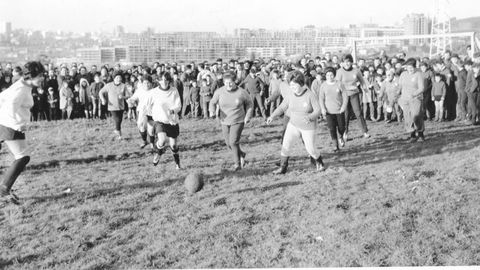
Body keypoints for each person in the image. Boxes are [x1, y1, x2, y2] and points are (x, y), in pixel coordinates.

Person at [0, 61, 45, 205]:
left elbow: (2, 97)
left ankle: (4, 189)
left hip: (9, 124)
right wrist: (16, 125)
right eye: (40, 76)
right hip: (10, 126)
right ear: (30, 76)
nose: (42, 78)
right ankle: (3, 190)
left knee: (22, 157)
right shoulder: (21, 89)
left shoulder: (23, 85)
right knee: (22, 157)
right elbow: (9, 108)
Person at [266, 71, 325, 174]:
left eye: (294, 85)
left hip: (308, 127)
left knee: (310, 148)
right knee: (286, 144)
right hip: (293, 124)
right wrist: (272, 116)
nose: (292, 87)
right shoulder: (290, 95)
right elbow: (282, 106)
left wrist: (310, 117)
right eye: (290, 85)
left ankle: (319, 161)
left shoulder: (310, 95)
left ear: (301, 83)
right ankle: (283, 167)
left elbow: (318, 110)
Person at [209, 72, 253, 171]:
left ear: (235, 82)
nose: (228, 85)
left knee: (233, 142)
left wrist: (248, 116)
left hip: (238, 120)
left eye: (231, 83)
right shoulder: (219, 92)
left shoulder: (242, 92)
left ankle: (237, 164)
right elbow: (212, 102)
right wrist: (211, 110)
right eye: (226, 83)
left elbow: (250, 104)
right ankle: (241, 154)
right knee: (228, 144)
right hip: (224, 121)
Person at [145, 71, 182, 168]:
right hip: (160, 121)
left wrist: (173, 111)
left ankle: (177, 164)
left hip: (172, 121)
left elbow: (179, 106)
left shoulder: (174, 91)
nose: (164, 82)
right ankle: (157, 155)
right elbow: (146, 104)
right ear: (158, 81)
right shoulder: (154, 92)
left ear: (169, 80)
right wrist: (149, 114)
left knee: (173, 145)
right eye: (161, 80)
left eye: (166, 80)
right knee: (162, 140)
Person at [335, 54, 370, 140]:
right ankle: (345, 133)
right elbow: (337, 84)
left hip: (354, 94)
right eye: (345, 62)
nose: (347, 64)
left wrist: (365, 89)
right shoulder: (339, 72)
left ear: (351, 62)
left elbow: (362, 81)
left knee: (358, 113)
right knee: (346, 115)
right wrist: (347, 88)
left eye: (348, 62)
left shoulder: (356, 71)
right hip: (344, 95)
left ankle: (365, 131)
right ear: (342, 63)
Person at [319, 67, 348, 152]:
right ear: (325, 76)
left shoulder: (339, 84)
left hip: (339, 110)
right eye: (328, 75)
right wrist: (323, 108)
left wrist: (343, 107)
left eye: (331, 75)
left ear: (334, 75)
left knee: (341, 127)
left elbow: (345, 96)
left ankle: (341, 136)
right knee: (332, 128)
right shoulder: (323, 85)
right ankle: (335, 145)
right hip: (329, 111)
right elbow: (321, 98)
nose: (329, 76)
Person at [398, 58, 425, 142]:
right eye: (408, 67)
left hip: (416, 99)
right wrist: (397, 93)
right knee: (408, 117)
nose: (410, 69)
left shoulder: (418, 74)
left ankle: (420, 134)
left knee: (416, 116)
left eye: (412, 67)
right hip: (405, 99)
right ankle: (412, 135)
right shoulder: (403, 74)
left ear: (415, 67)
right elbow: (400, 85)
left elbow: (422, 88)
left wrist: (413, 94)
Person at [127, 75, 155, 148]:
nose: (146, 85)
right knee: (141, 126)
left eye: (148, 83)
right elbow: (134, 97)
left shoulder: (154, 91)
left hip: (152, 112)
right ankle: (144, 141)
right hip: (142, 111)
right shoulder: (139, 90)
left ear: (151, 83)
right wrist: (130, 100)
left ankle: (152, 142)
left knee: (151, 130)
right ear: (142, 83)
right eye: (144, 83)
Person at [99, 72, 128, 140]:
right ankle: (117, 132)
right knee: (117, 120)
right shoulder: (109, 85)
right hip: (112, 106)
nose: (119, 79)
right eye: (117, 78)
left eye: (120, 78)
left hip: (121, 106)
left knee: (119, 121)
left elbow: (128, 95)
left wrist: (123, 97)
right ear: (114, 78)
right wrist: (103, 99)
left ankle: (119, 135)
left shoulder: (123, 85)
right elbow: (101, 92)